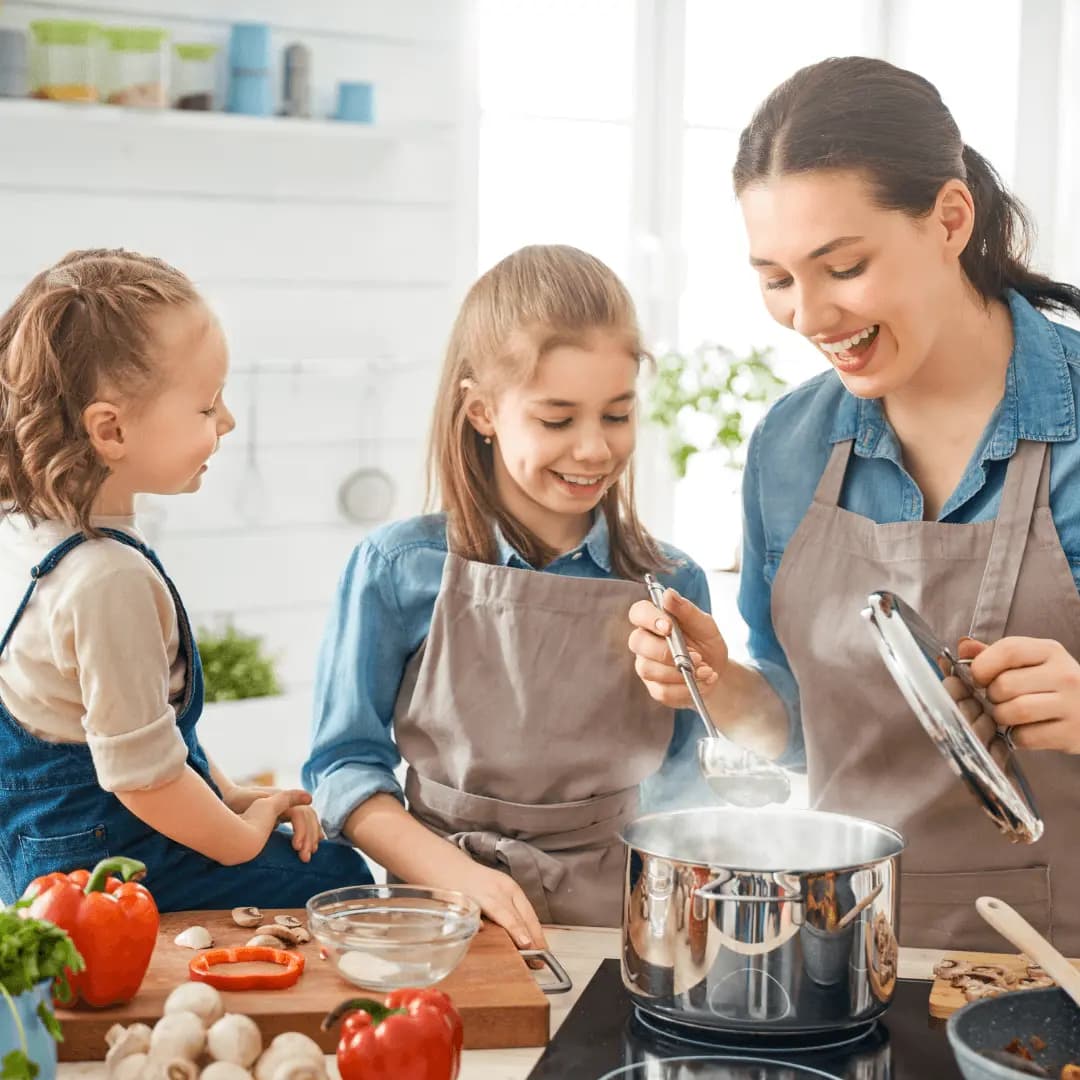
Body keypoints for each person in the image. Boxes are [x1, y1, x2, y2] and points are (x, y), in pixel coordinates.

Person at [628, 57, 1080, 952]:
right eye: (776, 277)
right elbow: (792, 723)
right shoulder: (792, 446)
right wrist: (722, 689)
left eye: (842, 266)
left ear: (952, 219)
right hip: (843, 954)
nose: (808, 315)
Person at [304, 244, 711, 948]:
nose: (593, 450)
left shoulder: (670, 582)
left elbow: (688, 784)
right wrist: (452, 874)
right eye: (558, 419)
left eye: (616, 415)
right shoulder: (397, 568)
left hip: (622, 920)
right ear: (483, 411)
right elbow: (343, 770)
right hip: (438, 912)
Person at [0, 249, 373, 909]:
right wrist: (239, 836)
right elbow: (142, 780)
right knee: (340, 878)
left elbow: (139, 728)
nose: (226, 422)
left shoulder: (25, 531)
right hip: (106, 869)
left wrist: (227, 794)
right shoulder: (105, 577)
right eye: (207, 407)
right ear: (110, 430)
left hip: (32, 849)